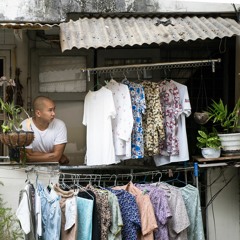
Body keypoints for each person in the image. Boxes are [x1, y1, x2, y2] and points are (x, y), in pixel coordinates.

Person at [21, 96, 69, 164]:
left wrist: (31, 158)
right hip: (29, 169)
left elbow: (56, 157)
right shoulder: (25, 125)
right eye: (50, 110)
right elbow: (27, 154)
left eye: (54, 109)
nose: (53, 113)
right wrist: (53, 155)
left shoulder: (60, 125)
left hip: (53, 169)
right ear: (38, 113)